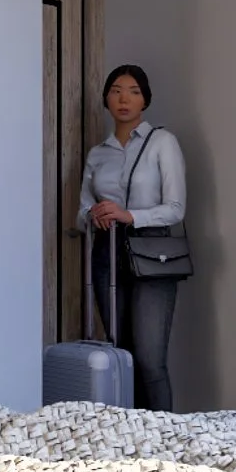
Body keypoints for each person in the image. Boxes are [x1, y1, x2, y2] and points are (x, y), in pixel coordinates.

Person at [76, 64, 187, 411]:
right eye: (116, 91)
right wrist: (93, 215)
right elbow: (81, 211)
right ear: (106, 99)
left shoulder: (163, 143)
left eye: (134, 92)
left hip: (152, 253)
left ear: (145, 100)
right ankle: (128, 434)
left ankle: (165, 435)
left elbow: (176, 208)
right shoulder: (98, 153)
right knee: (120, 357)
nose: (124, 99)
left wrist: (130, 215)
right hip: (107, 253)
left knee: (150, 360)